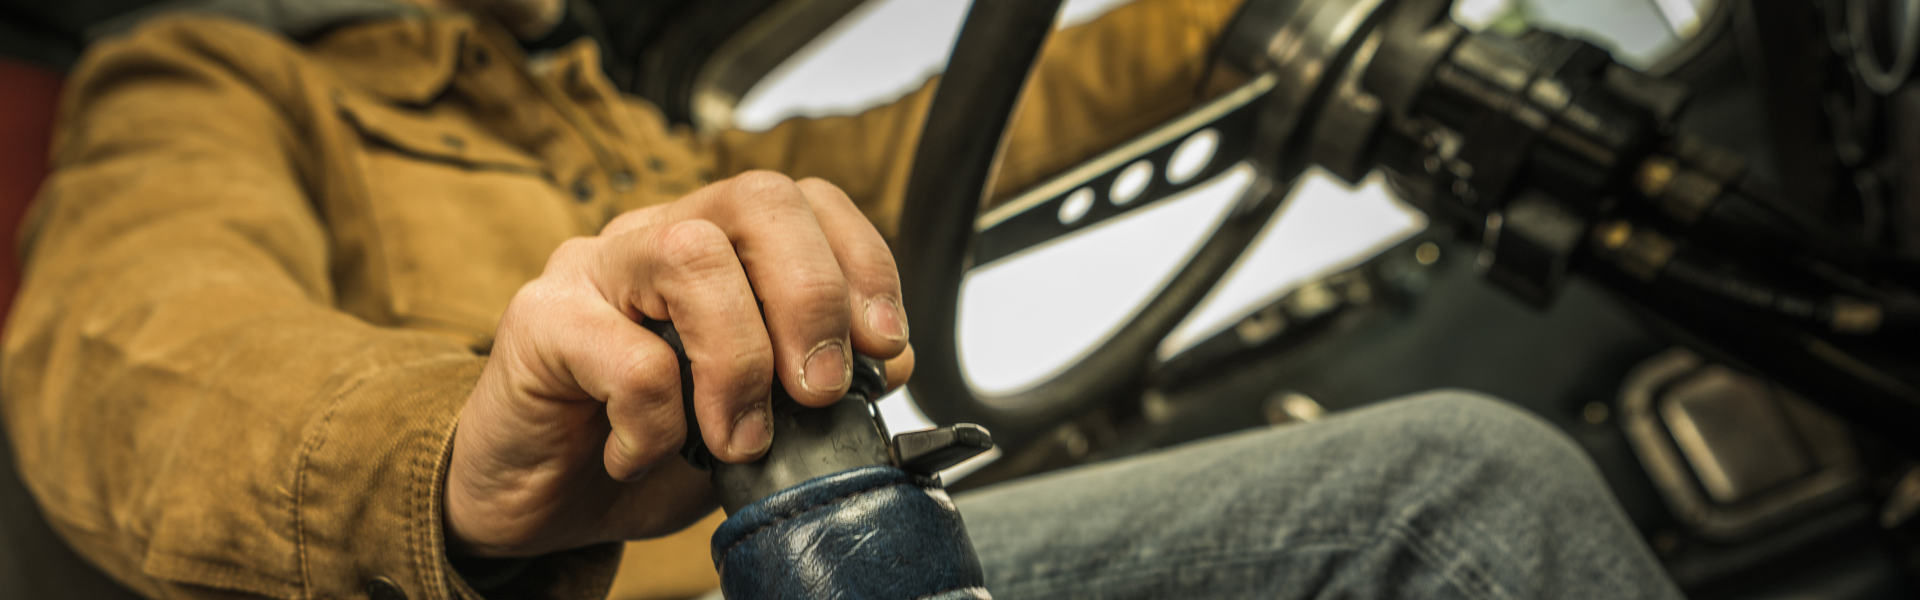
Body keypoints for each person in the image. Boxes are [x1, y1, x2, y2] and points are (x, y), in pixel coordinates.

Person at [0, 0, 1687, 597]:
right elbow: (135, 352)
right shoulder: (217, 75)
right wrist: (455, 458)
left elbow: (940, 137)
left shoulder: (620, 123)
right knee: (1445, 495)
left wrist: (1224, 22)